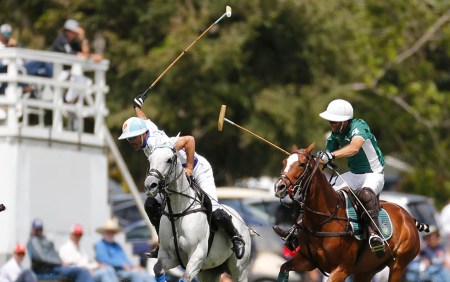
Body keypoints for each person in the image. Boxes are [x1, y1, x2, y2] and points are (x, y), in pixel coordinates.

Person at [117, 94, 245, 259]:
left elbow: (189, 140)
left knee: (215, 211)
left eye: (132, 138)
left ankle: (236, 238)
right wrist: (137, 106)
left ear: (142, 134)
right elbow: (143, 119)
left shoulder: (160, 144)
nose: (131, 142)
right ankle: (163, 242)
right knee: (150, 205)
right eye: (128, 139)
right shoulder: (146, 131)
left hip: (198, 170)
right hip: (176, 175)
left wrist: (190, 167)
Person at [273, 99, 386, 253]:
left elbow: (354, 148)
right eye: (330, 120)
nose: (330, 123)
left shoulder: (359, 126)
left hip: (373, 174)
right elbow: (322, 160)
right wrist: (303, 159)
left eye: (334, 120)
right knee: (324, 194)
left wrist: (330, 156)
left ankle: (375, 234)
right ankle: (296, 231)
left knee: (366, 195)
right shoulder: (335, 135)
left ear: (344, 121)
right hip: (354, 175)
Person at [27, 218, 99, 282]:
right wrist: (60, 262)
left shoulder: (45, 240)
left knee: (82, 271)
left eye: (40, 229)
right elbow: (41, 257)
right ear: (32, 229)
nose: (38, 231)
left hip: (55, 267)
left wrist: (61, 262)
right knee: (82, 271)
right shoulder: (33, 241)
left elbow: (54, 255)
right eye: (36, 229)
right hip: (49, 270)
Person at [94, 217, 161, 282]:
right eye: (109, 231)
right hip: (115, 272)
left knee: (147, 276)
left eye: (112, 232)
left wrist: (133, 266)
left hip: (125, 271)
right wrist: (122, 265)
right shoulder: (100, 245)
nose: (111, 234)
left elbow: (126, 260)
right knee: (135, 274)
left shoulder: (117, 246)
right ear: (104, 232)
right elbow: (104, 261)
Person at [59, 223, 125, 282]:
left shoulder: (80, 248)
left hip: (87, 273)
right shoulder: (65, 248)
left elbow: (86, 263)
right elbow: (68, 265)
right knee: (104, 273)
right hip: (80, 276)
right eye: (76, 234)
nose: (78, 237)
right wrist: (86, 268)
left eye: (80, 234)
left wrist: (97, 265)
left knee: (108, 269)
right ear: (71, 234)